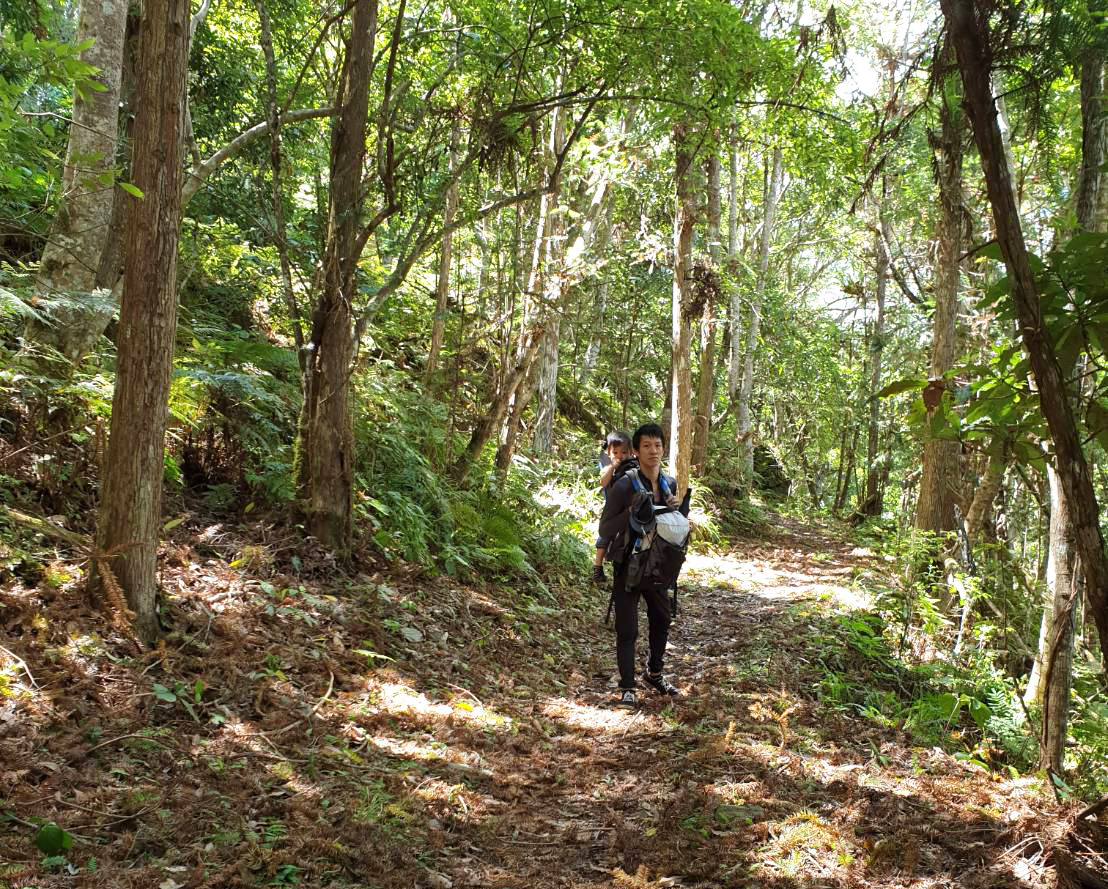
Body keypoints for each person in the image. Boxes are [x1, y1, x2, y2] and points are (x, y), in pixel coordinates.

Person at [598, 422, 690, 708]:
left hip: (659, 563)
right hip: (628, 563)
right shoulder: (625, 484)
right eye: (647, 446)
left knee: (662, 619)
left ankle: (654, 673)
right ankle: (627, 687)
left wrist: (677, 507)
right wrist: (631, 511)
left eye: (658, 445)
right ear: (636, 452)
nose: (653, 451)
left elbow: (676, 522)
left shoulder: (669, 484)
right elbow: (605, 527)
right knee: (628, 628)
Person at [592, 430, 632, 585]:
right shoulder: (607, 468)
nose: (620, 456)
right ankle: (597, 567)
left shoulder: (631, 467)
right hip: (612, 508)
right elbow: (603, 482)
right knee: (605, 535)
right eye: (615, 452)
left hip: (627, 507)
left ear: (631, 452)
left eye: (624, 452)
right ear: (608, 453)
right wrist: (612, 467)